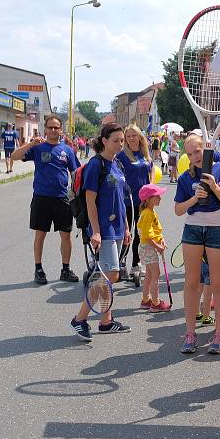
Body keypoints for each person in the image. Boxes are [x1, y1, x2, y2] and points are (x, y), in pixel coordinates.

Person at [175, 133, 220, 355]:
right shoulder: (185, 177)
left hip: (217, 230)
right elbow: (178, 210)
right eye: (189, 153)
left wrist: (215, 188)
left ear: (207, 149)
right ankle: (190, 334)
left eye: (197, 152)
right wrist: (194, 198)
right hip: (192, 229)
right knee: (192, 282)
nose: (194, 157)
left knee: (218, 283)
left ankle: (219, 335)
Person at [69, 122, 131, 340]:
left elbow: (121, 200)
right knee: (112, 273)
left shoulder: (117, 164)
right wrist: (95, 231)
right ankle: (79, 319)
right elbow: (90, 201)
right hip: (102, 230)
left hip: (117, 229)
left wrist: (126, 228)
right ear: (104, 141)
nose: (120, 144)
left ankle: (106, 322)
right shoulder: (97, 165)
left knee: (107, 274)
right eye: (116, 140)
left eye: (122, 141)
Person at [11, 115, 81, 286]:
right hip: (41, 198)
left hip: (61, 198)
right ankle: (39, 269)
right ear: (45, 129)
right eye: (50, 127)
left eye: (56, 128)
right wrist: (31, 143)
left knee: (66, 235)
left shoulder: (67, 150)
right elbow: (14, 156)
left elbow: (76, 174)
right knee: (40, 235)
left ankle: (65, 269)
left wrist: (78, 194)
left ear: (60, 130)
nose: (53, 130)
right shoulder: (38, 147)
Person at [117, 124, 153, 282]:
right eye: (128, 136)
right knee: (127, 233)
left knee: (141, 234)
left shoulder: (145, 154)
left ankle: (136, 264)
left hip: (143, 201)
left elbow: (149, 175)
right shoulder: (122, 155)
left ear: (140, 137)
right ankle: (120, 263)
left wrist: (151, 194)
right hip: (127, 200)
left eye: (134, 135)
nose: (131, 138)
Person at [136, 184, 171, 312]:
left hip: (148, 247)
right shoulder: (147, 214)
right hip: (148, 247)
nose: (160, 198)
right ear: (148, 199)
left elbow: (155, 231)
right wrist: (158, 246)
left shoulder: (151, 212)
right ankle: (155, 303)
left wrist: (161, 240)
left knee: (150, 275)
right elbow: (147, 236)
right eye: (157, 196)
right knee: (156, 274)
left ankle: (146, 300)